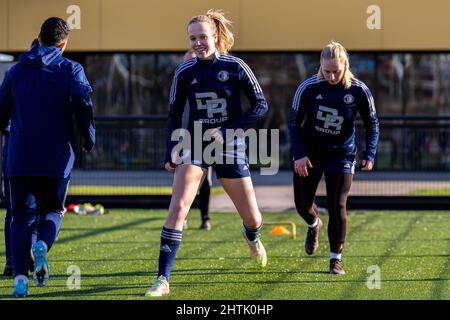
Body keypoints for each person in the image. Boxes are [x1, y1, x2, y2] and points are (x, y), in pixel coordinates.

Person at [146, 9, 269, 297]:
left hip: (231, 146)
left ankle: (251, 236)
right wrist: (171, 151)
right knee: (177, 209)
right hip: (195, 144)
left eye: (203, 36)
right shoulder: (184, 71)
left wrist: (228, 130)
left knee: (253, 218)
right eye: (193, 38)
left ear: (215, 36)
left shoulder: (236, 66)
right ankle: (162, 280)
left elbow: (260, 105)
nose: (198, 42)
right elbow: (174, 114)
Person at [0, 17, 95, 297]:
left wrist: (10, 129)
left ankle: (20, 279)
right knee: (53, 211)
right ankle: (41, 244)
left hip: (20, 157)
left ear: (38, 38)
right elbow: (82, 105)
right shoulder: (72, 69)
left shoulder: (16, 72)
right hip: (56, 157)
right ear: (63, 44)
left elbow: (1, 109)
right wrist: (88, 137)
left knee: (20, 217)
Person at [288, 41, 379, 275]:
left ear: (345, 65)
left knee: (337, 204)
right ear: (320, 66)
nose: (331, 76)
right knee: (301, 205)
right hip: (310, 153)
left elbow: (372, 123)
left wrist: (369, 153)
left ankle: (335, 259)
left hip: (341, 154)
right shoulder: (308, 87)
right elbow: (294, 123)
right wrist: (299, 154)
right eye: (326, 71)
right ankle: (313, 224)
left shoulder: (359, 90)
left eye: (336, 71)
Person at [182, 49, 212, 231]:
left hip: (208, 138)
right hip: (185, 138)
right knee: (184, 180)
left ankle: (205, 218)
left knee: (205, 180)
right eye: (187, 61)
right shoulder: (180, 82)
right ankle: (182, 216)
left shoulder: (208, 83)